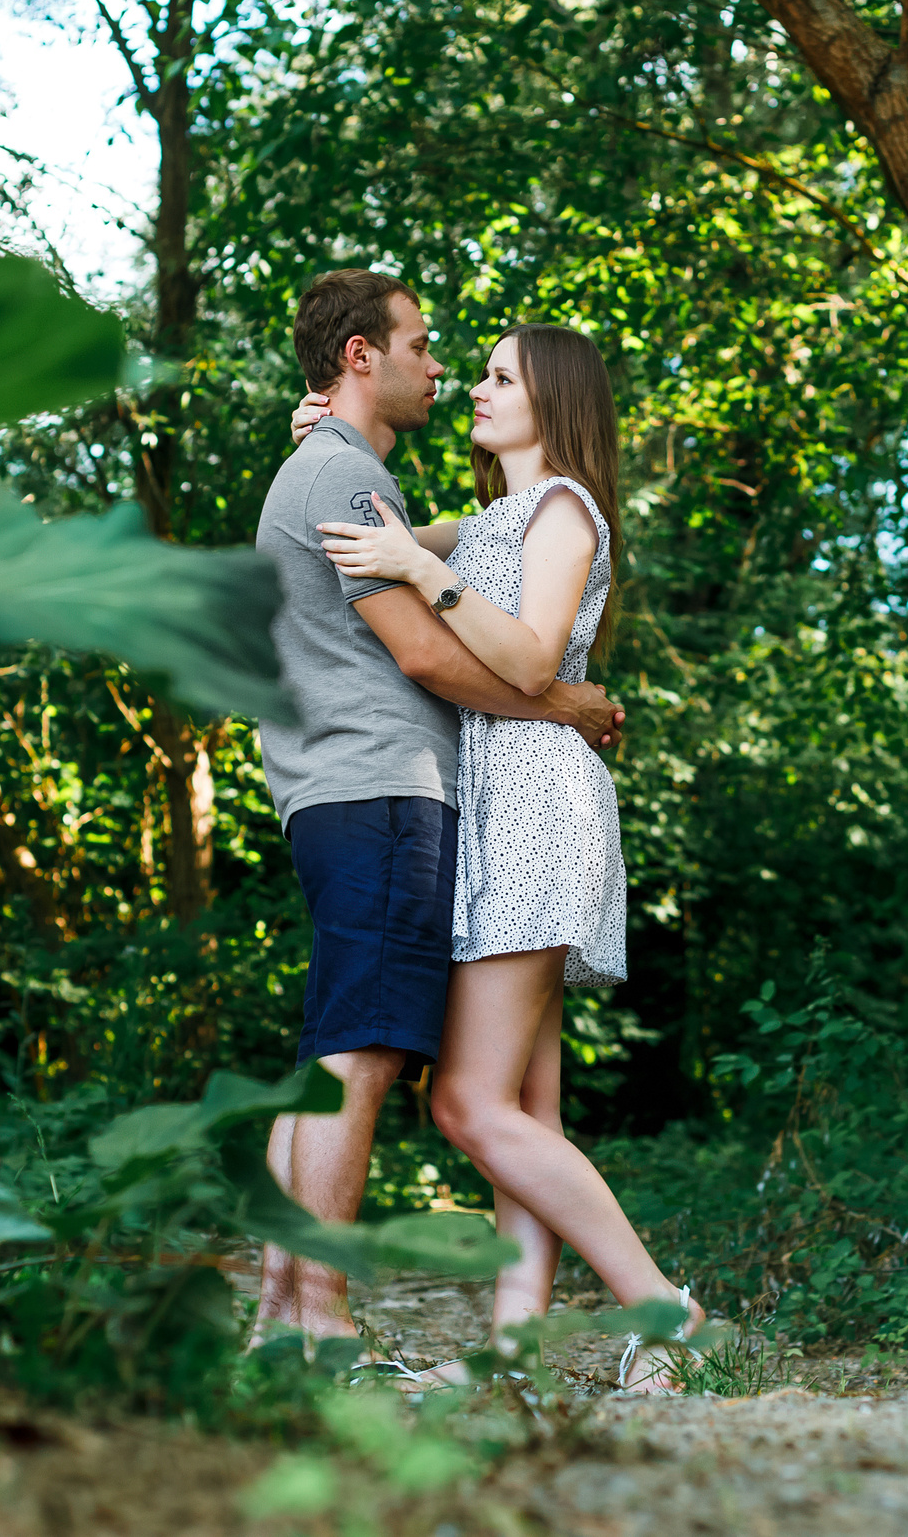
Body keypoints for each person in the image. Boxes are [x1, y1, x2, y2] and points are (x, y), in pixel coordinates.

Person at [294, 321, 706, 1391]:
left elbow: (525, 661)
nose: (471, 387)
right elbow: (391, 522)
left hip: (535, 804)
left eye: (496, 377)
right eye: (470, 372)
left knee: (465, 1106)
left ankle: (663, 1310)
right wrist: (323, 438)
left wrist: (413, 571)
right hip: (497, 809)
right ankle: (515, 1360)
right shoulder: (489, 520)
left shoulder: (565, 511)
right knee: (528, 1114)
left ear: (551, 399)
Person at [251, 271, 627, 1363]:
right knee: (374, 1061)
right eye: (425, 346)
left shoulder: (491, 504)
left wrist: (341, 452)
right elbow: (422, 645)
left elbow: (450, 546)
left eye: (493, 371)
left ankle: (302, 1319)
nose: (451, 371)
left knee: (379, 1062)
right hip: (386, 787)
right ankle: (316, 1321)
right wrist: (565, 699)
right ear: (363, 355)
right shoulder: (349, 477)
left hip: (470, 804)